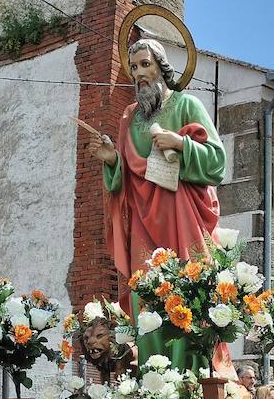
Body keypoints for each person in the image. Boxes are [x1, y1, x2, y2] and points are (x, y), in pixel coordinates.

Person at [95, 38, 226, 371]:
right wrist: (112, 161)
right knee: (146, 300)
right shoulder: (129, 117)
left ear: (162, 67)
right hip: (142, 223)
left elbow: (217, 164)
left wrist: (180, 143)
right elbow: (126, 175)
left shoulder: (187, 105)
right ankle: (154, 381)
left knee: (187, 298)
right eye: (134, 67)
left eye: (145, 64)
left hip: (181, 219)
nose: (139, 73)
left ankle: (193, 381)